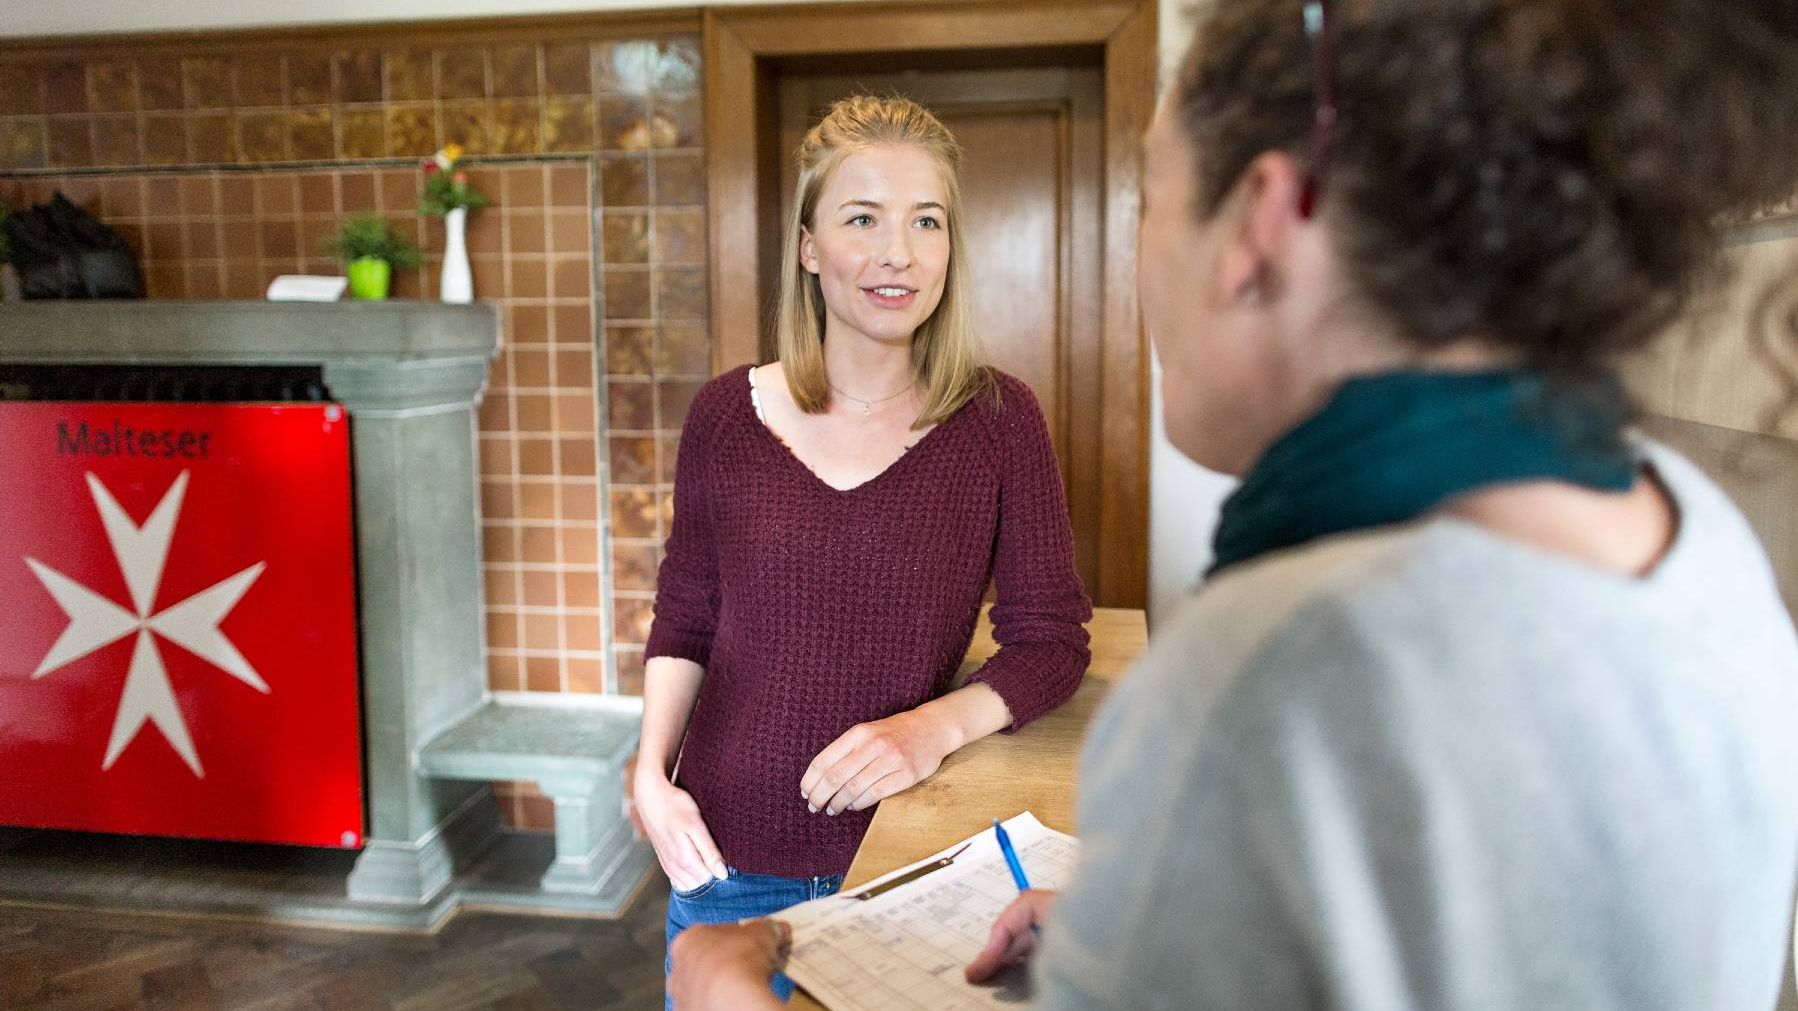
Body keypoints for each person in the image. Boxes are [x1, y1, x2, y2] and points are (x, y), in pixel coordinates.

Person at [667, 1, 1798, 1007]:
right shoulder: (1703, 542)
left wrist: (728, 995)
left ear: (1254, 228)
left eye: (1148, 197)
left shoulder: (1266, 669)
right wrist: (1146, 932)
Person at [636, 94, 1092, 1003]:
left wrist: (932, 728)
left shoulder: (1000, 420)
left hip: (908, 863)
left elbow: (1053, 640)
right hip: (726, 865)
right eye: (863, 219)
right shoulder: (727, 414)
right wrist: (648, 770)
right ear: (809, 248)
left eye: (927, 220)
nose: (900, 252)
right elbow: (687, 615)